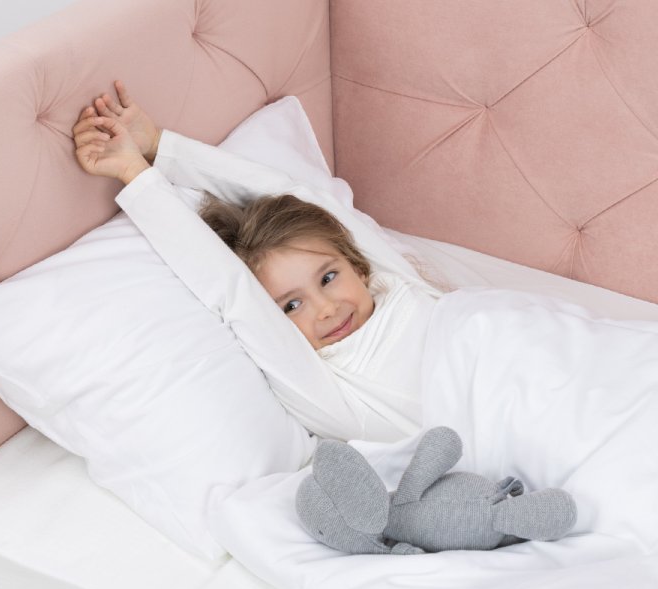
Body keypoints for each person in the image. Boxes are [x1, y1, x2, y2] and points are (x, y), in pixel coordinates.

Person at [72, 81, 441, 441]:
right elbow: (233, 292)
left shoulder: (401, 285)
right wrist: (134, 173)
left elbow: (299, 196)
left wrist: (159, 146)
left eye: (328, 278)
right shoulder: (332, 395)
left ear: (358, 267)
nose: (327, 309)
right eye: (291, 306)